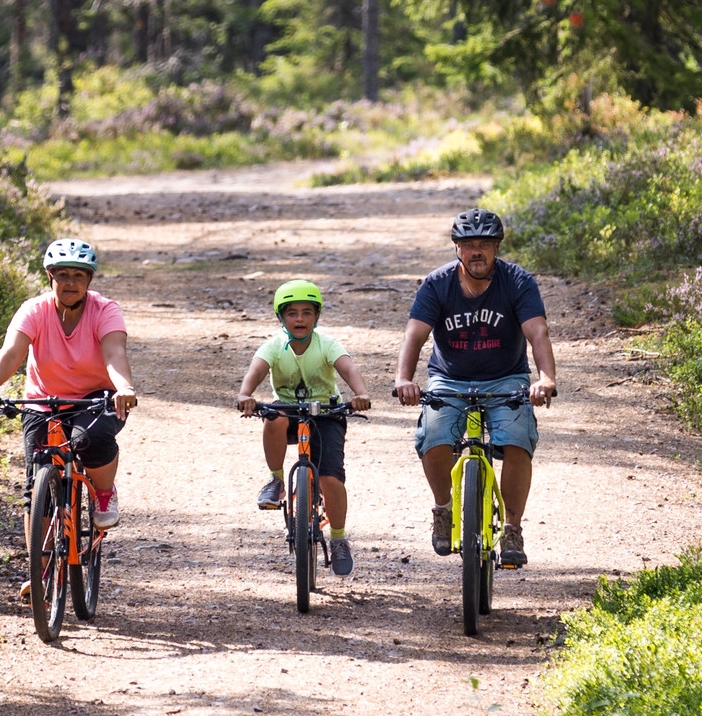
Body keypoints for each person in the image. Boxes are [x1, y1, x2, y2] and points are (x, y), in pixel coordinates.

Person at [395, 208, 556, 567]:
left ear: (497, 248)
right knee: (434, 437)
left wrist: (545, 378)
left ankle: (512, 529)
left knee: (517, 441)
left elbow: (537, 332)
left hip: (506, 378)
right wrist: (404, 379)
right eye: (469, 245)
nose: (477, 252)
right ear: (457, 249)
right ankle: (443, 508)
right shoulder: (437, 284)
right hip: (448, 379)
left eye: (485, 244)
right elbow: (415, 335)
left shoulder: (517, 281)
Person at [0, 238, 140, 526]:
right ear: (50, 276)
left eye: (78, 275)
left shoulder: (106, 310)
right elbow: (12, 352)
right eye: (62, 274)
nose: (70, 282)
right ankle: (38, 567)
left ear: (89, 279)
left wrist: (124, 388)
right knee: (35, 482)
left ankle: (103, 492)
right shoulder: (34, 310)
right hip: (43, 401)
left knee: (90, 440)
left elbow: (115, 353)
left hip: (95, 398)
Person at [234, 280, 373, 577]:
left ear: (317, 316)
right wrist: (246, 395)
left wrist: (360, 394)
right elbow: (255, 371)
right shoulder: (273, 346)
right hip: (289, 410)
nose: (300, 319)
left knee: (330, 479)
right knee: (273, 416)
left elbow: (347, 368)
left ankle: (338, 538)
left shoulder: (327, 344)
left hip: (326, 412)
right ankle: (276, 480)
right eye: (292, 313)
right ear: (281, 317)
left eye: (307, 313)